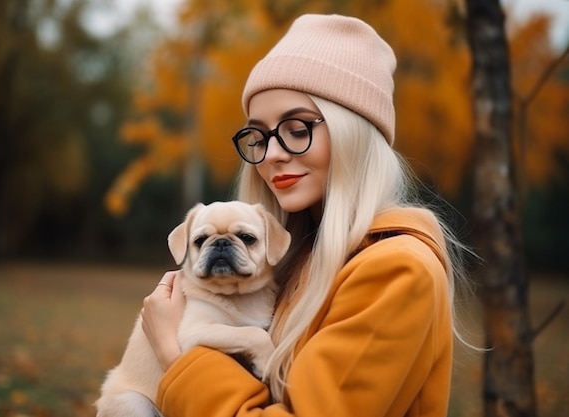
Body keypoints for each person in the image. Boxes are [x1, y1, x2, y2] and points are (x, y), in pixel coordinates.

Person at [141, 13, 473, 417]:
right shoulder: (297, 256)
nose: (273, 153)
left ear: (353, 132)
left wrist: (174, 355)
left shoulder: (398, 270)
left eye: (297, 128)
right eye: (258, 136)